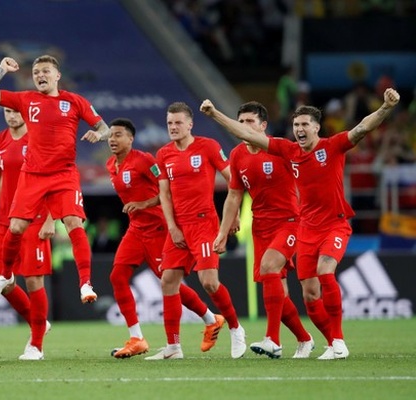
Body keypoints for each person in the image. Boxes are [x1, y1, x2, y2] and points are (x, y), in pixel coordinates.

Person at [200, 88, 401, 360]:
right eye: (296, 125)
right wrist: (214, 115)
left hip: (329, 224)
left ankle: (324, 340)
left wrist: (386, 108)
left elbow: (362, 128)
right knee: (308, 295)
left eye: (305, 124)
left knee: (324, 271)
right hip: (305, 228)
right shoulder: (288, 150)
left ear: (317, 128)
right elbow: (244, 139)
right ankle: (323, 342)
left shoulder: (332, 146)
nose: (300, 129)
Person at [0, 55, 110, 303]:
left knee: (74, 223)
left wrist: (98, 135)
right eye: (37, 72)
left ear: (57, 75)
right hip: (33, 175)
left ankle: (85, 284)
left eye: (46, 71)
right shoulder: (26, 99)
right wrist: (1, 69)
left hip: (64, 174)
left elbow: (104, 127)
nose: (40, 75)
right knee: (15, 228)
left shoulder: (74, 101)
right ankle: (6, 276)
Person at [106, 117, 225, 359]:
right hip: (136, 229)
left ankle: (211, 319)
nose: (112, 139)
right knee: (117, 276)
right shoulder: (111, 165)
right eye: (110, 135)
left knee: (168, 283)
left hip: (158, 229)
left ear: (131, 138)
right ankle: (137, 337)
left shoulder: (145, 161)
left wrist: (144, 204)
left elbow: (167, 190)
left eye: (118, 135)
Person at [212, 101, 314, 359]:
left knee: (269, 268)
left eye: (250, 122)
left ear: (263, 125)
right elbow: (234, 196)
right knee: (278, 289)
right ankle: (304, 339)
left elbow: (307, 175)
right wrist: (223, 232)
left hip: (290, 221)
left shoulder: (280, 148)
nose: (245, 127)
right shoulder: (237, 155)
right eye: (242, 121)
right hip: (261, 226)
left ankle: (273, 340)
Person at [146, 102, 246, 360]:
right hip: (179, 227)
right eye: (169, 123)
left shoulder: (208, 146)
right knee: (168, 281)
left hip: (204, 223)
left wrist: (233, 215)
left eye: (178, 122)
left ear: (190, 124)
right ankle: (173, 347)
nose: (173, 127)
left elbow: (232, 180)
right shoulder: (164, 154)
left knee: (209, 282)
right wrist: (172, 227)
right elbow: (164, 195)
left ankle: (236, 328)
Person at [0, 107, 54, 360]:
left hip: (34, 218)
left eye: (16, 111)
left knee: (34, 280)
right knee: (2, 279)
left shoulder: (39, 139)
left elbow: (54, 179)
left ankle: (36, 345)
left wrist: (50, 218)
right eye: (6, 111)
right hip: (6, 219)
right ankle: (39, 324)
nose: (11, 115)